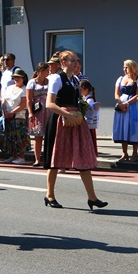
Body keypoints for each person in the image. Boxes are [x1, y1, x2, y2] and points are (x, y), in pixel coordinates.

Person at [43, 50, 107, 210]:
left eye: (78, 61)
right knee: (55, 158)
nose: (77, 64)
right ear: (64, 63)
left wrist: (83, 108)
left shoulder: (76, 80)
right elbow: (49, 104)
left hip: (75, 121)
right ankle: (49, 194)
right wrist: (67, 114)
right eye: (73, 61)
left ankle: (92, 197)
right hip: (60, 120)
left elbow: (76, 100)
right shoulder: (57, 78)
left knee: (83, 158)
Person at [112, 60, 138, 163]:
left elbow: (137, 94)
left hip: (133, 105)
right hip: (122, 105)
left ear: (132, 68)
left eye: (126, 67)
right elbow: (116, 93)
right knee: (122, 127)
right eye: (124, 67)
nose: (124, 69)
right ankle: (124, 153)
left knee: (133, 127)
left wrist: (126, 103)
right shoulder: (120, 79)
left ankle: (135, 153)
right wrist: (120, 102)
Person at [2, 68, 30, 164]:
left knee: (19, 136)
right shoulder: (10, 88)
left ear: (23, 78)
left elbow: (23, 104)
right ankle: (13, 155)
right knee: (10, 136)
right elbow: (4, 101)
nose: (16, 79)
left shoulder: (24, 89)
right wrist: (5, 111)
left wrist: (12, 112)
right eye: (15, 77)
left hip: (19, 116)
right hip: (8, 115)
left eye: (18, 77)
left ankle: (21, 157)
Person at [26, 62, 50, 167]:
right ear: (41, 71)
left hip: (48, 110)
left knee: (49, 135)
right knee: (38, 136)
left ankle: (48, 158)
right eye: (46, 70)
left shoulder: (49, 81)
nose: (48, 72)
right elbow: (28, 99)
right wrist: (30, 112)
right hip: (38, 110)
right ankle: (37, 159)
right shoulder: (32, 82)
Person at [79, 79, 100, 152]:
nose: (80, 91)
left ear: (86, 89)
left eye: (81, 89)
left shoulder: (89, 99)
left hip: (89, 123)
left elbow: (90, 110)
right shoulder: (84, 98)